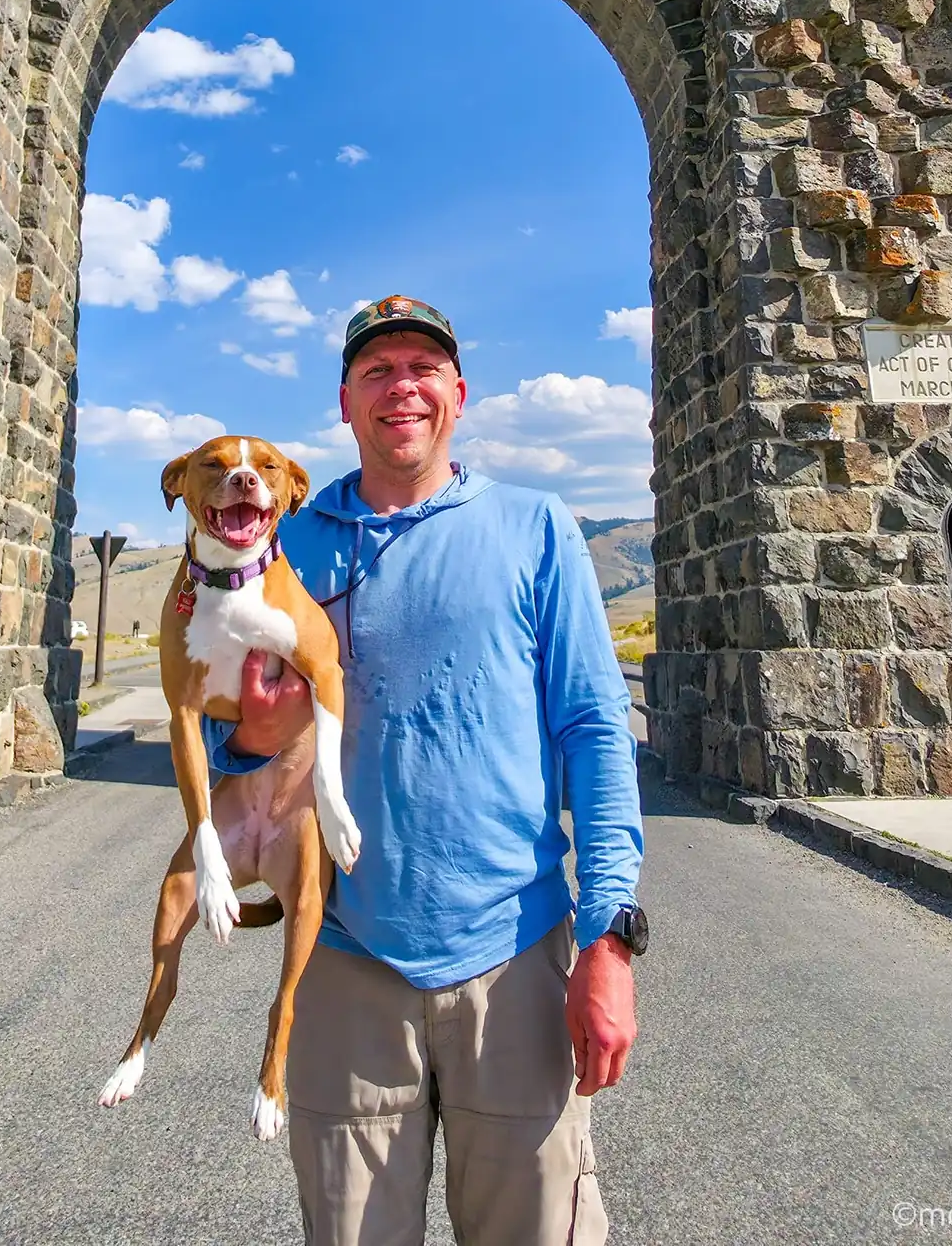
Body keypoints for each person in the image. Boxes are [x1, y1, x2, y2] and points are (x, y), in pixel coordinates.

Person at [206, 295, 646, 1245]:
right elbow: (215, 735)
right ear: (344, 400)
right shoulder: (285, 540)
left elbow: (593, 732)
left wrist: (607, 941)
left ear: (457, 391)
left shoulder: (535, 527)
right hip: (340, 960)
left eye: (420, 367)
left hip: (514, 955)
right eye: (377, 371)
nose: (400, 386)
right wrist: (248, 740)